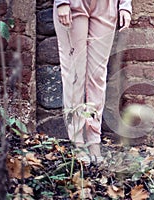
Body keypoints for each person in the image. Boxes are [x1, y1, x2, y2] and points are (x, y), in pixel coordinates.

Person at [53, 0, 132, 165]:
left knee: (97, 75)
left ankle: (94, 140)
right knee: (74, 75)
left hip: (107, 5)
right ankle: (77, 141)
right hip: (74, 3)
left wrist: (125, 5)